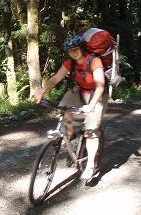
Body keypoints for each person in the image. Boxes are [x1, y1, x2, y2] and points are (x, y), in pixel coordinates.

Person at [34, 34, 108, 181]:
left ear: (81, 48)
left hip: (97, 95)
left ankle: (91, 166)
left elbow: (100, 86)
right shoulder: (71, 62)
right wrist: (42, 91)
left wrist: (91, 105)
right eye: (70, 50)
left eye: (75, 49)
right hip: (80, 90)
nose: (73, 52)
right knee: (63, 107)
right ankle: (70, 131)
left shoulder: (95, 61)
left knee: (91, 130)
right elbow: (55, 78)